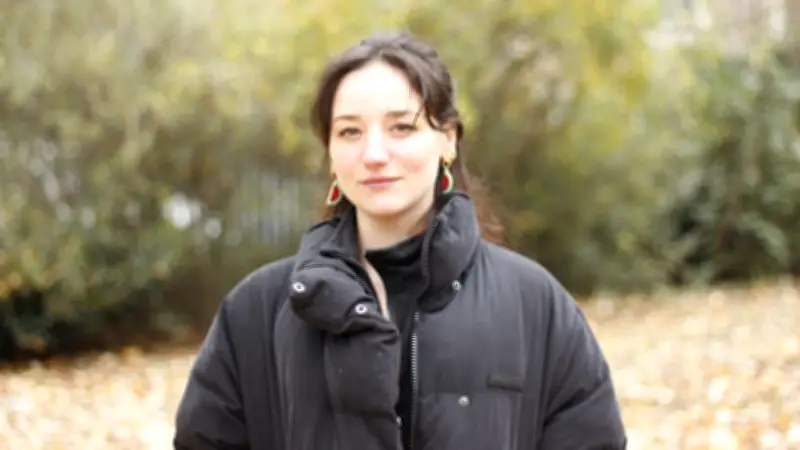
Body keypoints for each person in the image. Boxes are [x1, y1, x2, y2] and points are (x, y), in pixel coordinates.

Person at [173, 32, 627, 450]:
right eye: (350, 131)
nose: (374, 154)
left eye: (401, 128)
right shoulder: (258, 310)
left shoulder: (534, 304)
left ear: (447, 140)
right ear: (330, 153)